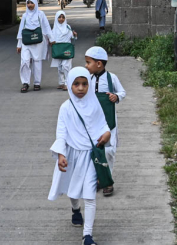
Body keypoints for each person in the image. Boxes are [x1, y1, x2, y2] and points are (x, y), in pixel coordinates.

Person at [49, 67, 111, 245]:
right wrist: (61, 154)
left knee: (90, 195)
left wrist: (107, 134)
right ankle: (75, 209)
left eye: (85, 84)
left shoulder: (94, 104)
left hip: (91, 155)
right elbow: (61, 133)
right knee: (72, 187)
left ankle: (87, 236)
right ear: (70, 85)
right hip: (72, 154)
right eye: (76, 84)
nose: (81, 88)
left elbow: (103, 125)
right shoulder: (66, 108)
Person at [84, 46, 125, 196]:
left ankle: (107, 181)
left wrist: (116, 96)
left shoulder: (112, 78)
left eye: (88, 62)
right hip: (92, 122)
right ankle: (97, 179)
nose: (86, 66)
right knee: (94, 150)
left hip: (109, 121)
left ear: (99, 64)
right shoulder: (87, 79)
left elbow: (122, 92)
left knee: (108, 152)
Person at [16, 0, 52, 92]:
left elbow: (46, 26)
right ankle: (25, 83)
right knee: (25, 61)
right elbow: (21, 30)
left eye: (32, 3)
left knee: (37, 61)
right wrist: (19, 44)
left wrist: (51, 38)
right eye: (28, 3)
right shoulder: (25, 16)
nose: (29, 5)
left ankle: (37, 83)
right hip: (26, 42)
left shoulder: (41, 14)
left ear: (35, 3)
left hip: (38, 41)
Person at [50, 10, 78, 90]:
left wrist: (75, 35)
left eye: (63, 17)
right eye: (59, 17)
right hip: (58, 50)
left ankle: (67, 83)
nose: (61, 19)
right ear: (56, 18)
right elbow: (51, 39)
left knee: (66, 66)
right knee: (59, 67)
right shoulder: (54, 29)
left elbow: (73, 37)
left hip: (66, 49)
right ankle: (61, 83)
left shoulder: (67, 27)